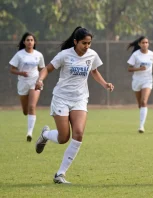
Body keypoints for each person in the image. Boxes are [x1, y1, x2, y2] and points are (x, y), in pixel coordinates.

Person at [34, 26, 114, 184]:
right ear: (76, 42)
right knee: (63, 138)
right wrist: (40, 80)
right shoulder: (64, 55)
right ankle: (45, 135)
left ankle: (60, 174)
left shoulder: (92, 55)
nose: (87, 47)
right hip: (61, 98)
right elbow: (47, 68)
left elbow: (94, 71)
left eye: (89, 43)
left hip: (80, 99)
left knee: (78, 134)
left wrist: (105, 84)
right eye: (84, 43)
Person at [9, 32, 45, 142]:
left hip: (35, 82)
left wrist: (40, 80)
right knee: (26, 111)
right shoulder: (19, 55)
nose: (30, 42)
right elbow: (12, 69)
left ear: (34, 42)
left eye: (31, 40)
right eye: (28, 40)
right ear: (24, 42)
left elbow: (43, 69)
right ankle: (27, 115)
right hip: (23, 83)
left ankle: (29, 133)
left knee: (32, 107)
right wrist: (21, 73)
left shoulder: (38, 55)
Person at [127, 36, 153, 133]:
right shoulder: (135, 55)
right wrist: (138, 69)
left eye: (146, 42)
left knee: (144, 101)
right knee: (140, 104)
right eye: (143, 42)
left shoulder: (152, 54)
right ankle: (142, 121)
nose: (145, 44)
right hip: (137, 81)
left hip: (147, 80)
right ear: (139, 44)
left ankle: (141, 126)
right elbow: (129, 68)